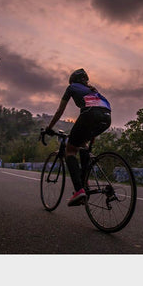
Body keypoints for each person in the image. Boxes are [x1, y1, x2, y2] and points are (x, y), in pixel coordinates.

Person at [45, 68, 111, 206]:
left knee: (70, 150)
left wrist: (49, 128)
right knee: (83, 145)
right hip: (107, 117)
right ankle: (84, 179)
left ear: (73, 81)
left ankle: (79, 190)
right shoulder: (93, 90)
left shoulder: (71, 87)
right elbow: (98, 110)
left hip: (90, 115)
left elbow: (59, 111)